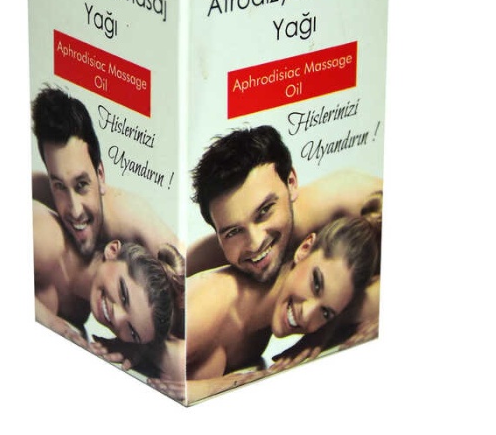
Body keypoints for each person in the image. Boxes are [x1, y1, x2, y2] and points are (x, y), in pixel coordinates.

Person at [153, 216, 379, 404]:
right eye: (316, 284)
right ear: (305, 249)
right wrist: (217, 387)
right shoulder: (213, 302)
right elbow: (143, 372)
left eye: (326, 313)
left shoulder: (257, 336)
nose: (307, 314)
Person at [188, 125, 382, 280]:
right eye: (233, 231)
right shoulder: (214, 250)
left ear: (291, 183)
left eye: (264, 211)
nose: (255, 243)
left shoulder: (355, 200)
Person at [34, 199, 185, 378]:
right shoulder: (49, 239)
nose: (117, 318)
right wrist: (47, 320)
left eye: (132, 331)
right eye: (124, 295)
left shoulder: (78, 315)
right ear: (113, 250)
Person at [31, 85, 180, 259]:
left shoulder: (135, 222)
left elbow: (182, 267)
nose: (75, 211)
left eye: (81, 185)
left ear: (100, 175)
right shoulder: (40, 190)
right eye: (59, 186)